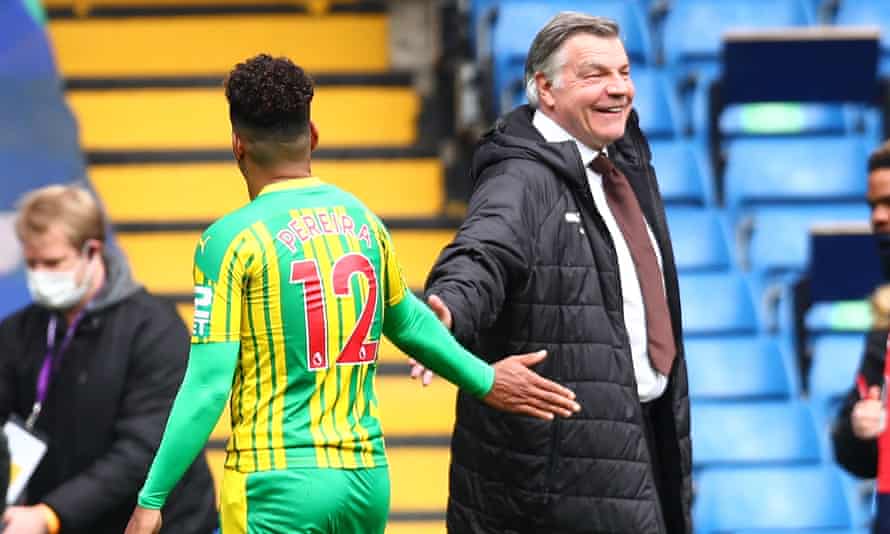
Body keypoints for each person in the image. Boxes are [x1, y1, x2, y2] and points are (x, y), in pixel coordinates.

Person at [124, 53, 580, 534]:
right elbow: (407, 320)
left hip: (277, 481)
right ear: (313, 136)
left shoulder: (230, 240)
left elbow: (209, 384)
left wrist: (152, 497)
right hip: (364, 481)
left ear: (238, 146)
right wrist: (483, 378)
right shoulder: (362, 222)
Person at [412, 12, 692, 533]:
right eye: (595, 75)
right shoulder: (519, 177)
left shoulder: (623, 157)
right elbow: (482, 250)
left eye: (624, 72)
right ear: (545, 88)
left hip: (642, 443)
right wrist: (449, 311)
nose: (618, 90)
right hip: (557, 483)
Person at [0, 185, 218, 534]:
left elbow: (143, 450)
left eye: (53, 262)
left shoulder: (154, 329)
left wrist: (51, 514)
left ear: (92, 251)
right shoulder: (19, 331)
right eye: (31, 263)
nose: (40, 274)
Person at [833, 139, 890, 533]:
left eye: (889, 202)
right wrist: (858, 428)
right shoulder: (885, 315)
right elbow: (852, 450)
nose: (879, 218)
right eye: (873, 206)